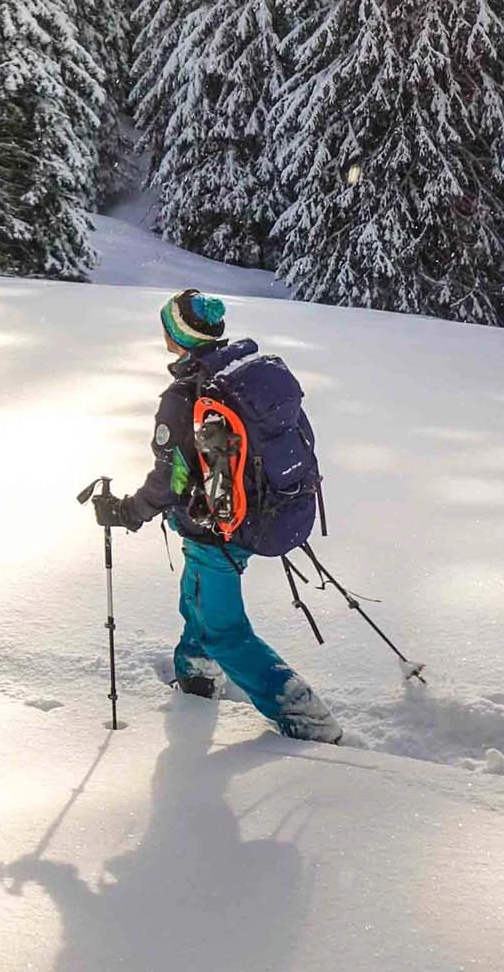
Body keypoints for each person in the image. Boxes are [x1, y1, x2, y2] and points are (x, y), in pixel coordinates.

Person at [94, 290, 342, 744]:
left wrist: (127, 512)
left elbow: (168, 483)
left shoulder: (184, 397)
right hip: (251, 515)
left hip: (216, 532)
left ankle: (306, 717)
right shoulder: (243, 373)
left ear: (176, 337)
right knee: (196, 602)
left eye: (167, 328)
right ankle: (197, 680)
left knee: (224, 631)